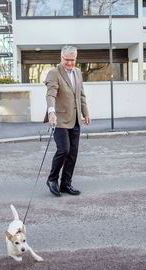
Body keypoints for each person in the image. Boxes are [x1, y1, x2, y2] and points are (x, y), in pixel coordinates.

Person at [44, 45, 90, 197]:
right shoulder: (54, 73)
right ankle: (52, 180)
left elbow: (81, 95)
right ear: (61, 57)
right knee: (64, 150)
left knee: (73, 153)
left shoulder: (78, 72)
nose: (70, 63)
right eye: (67, 60)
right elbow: (51, 94)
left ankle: (65, 183)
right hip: (60, 119)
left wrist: (85, 112)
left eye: (73, 60)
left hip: (76, 119)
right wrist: (51, 112)